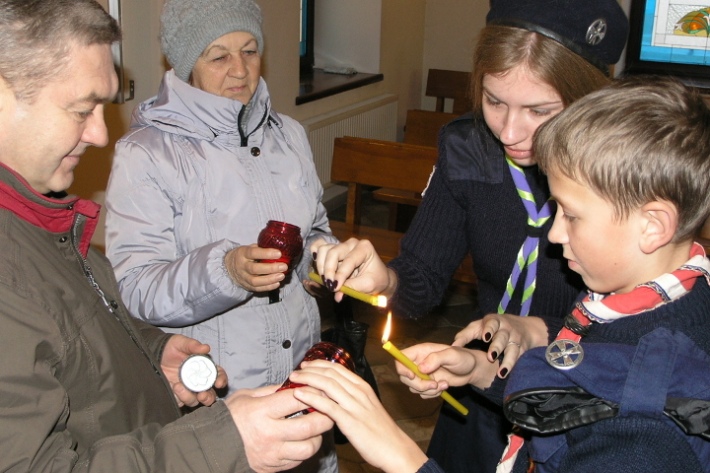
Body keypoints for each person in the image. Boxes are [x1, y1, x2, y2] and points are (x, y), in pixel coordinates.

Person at [295, 76, 710, 473]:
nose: (555, 231)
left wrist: (402, 457)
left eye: (571, 214)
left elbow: (609, 399)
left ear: (653, 225)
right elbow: (579, 388)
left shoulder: (647, 424)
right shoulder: (631, 304)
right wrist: (478, 369)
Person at [0, 1, 334, 471]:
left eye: (250, 50)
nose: (100, 133)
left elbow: (87, 326)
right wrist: (225, 270)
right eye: (81, 109)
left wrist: (153, 351)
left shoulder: (49, 224)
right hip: (212, 428)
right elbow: (137, 288)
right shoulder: (149, 155)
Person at [312, 1, 628, 471]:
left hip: (585, 396)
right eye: (494, 100)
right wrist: (385, 282)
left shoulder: (629, 170)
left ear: (588, 101)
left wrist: (539, 331)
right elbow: (419, 282)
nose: (509, 131)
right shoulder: (469, 148)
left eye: (540, 110)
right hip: (486, 382)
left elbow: (642, 324)